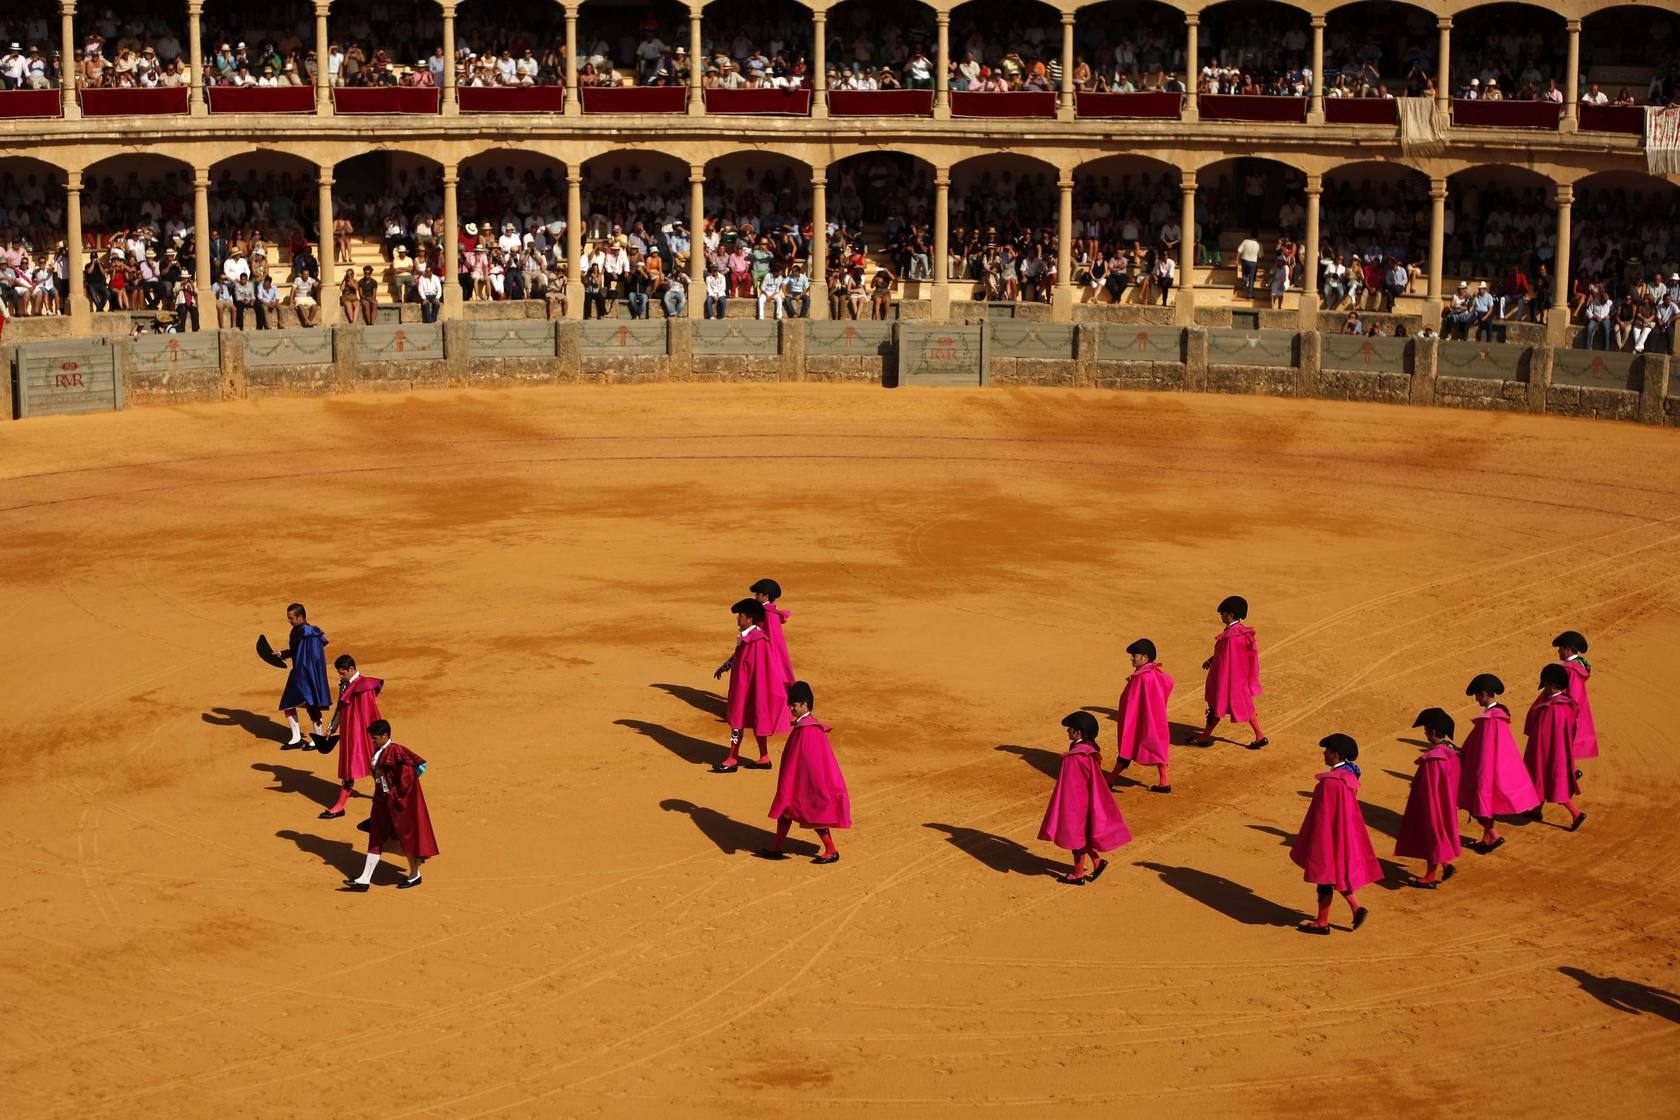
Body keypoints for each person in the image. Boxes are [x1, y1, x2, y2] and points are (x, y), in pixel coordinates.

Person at [1292, 734, 1380, 934]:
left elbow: (1323, 817)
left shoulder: (1330, 783)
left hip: (1328, 836)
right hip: (1343, 832)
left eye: (1328, 751)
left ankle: (1322, 923)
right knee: (1335, 874)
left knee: (1325, 876)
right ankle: (1356, 908)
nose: (1324, 753)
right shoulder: (1349, 776)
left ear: (1336, 755)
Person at [753, 681, 849, 865]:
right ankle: (776, 847)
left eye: (794, 705)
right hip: (797, 779)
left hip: (805, 782)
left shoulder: (808, 730)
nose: (790, 708)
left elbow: (812, 764)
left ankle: (831, 850)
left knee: (813, 814)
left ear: (804, 704)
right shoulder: (805, 726)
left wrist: (812, 787)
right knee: (785, 810)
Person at [341, 720, 438, 891]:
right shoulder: (380, 751)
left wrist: (392, 796)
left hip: (398, 804)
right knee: (376, 836)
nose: (372, 741)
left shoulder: (396, 751)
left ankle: (415, 874)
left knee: (406, 838)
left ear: (385, 736)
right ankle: (364, 879)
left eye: (375, 738)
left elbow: (407, 780)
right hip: (382, 803)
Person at [1039, 711, 1131, 885]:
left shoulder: (1075, 757)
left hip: (1076, 804)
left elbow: (1070, 787)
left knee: (1075, 836)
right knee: (1083, 836)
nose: (1067, 731)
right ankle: (1096, 863)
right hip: (1088, 801)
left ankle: (1078, 874)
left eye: (1070, 729)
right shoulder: (1089, 751)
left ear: (1078, 732)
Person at [1458, 673, 1541, 853]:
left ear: (1485, 694)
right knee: (1485, 803)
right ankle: (1489, 834)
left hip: (1487, 768)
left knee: (1480, 802)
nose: (1476, 699)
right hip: (1497, 768)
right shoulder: (1497, 716)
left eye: (1477, 695)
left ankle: (1492, 834)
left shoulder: (1491, 719)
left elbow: (1485, 750)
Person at [711, 598, 792, 773]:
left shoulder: (758, 641)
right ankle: (764, 758)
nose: (737, 619)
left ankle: (732, 759)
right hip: (746, 689)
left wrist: (756, 692)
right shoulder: (750, 637)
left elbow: (762, 672)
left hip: (749, 690)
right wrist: (724, 667)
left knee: (738, 723)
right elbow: (738, 657)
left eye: (740, 616)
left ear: (749, 619)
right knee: (756, 722)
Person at [1394, 707, 1461, 889]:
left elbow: (1428, 788)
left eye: (1425, 730)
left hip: (1433, 804)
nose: (1424, 733)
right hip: (1447, 802)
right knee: (1438, 834)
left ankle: (1430, 877)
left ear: (1432, 732)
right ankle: (1445, 865)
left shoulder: (1433, 760)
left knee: (1431, 835)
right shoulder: (1452, 752)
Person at [1190, 595, 1267, 749]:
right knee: (1246, 706)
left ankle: (1204, 738)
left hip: (1228, 679)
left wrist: (1220, 678)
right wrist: (1213, 659)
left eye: (1223, 613)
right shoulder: (1241, 633)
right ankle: (1260, 736)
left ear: (1230, 614)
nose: (1221, 615)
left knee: (1217, 707)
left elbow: (1228, 661)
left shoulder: (1232, 637)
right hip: (1239, 680)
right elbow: (1230, 656)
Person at [318, 653, 384, 820]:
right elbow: (340, 708)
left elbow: (370, 714)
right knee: (350, 768)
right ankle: (339, 806)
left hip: (363, 735)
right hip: (349, 734)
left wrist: (372, 737)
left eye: (342, 673)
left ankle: (391, 798)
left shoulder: (365, 686)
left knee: (376, 767)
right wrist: (331, 728)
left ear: (351, 669)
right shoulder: (345, 684)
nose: (341, 676)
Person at [1524, 664, 1587, 830]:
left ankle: (1576, 813)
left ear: (1552, 685)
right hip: (1556, 752)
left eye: (1546, 685)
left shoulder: (1553, 708)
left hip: (1549, 753)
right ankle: (1536, 811)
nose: (1544, 688)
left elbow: (1542, 736)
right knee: (1544, 781)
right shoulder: (1566, 704)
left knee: (1552, 783)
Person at [1108, 638, 1175, 793]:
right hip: (1155, 718)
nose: (1132, 658)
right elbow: (1169, 682)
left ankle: (1110, 780)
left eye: (1135, 655)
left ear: (1144, 658)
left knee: (1127, 746)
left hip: (1141, 719)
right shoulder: (1155, 672)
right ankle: (1164, 782)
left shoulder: (1143, 677)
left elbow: (1132, 702)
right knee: (1158, 747)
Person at [276, 602, 330, 748]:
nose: (289, 621)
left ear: (300, 617)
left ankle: (317, 738)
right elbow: (297, 652)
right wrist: (283, 654)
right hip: (300, 673)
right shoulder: (297, 630)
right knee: (291, 702)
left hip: (306, 674)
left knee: (310, 704)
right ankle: (296, 738)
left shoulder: (309, 633)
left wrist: (309, 673)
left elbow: (315, 657)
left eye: (291, 618)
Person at [1552, 629, 1598, 769]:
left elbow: (1573, 696)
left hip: (1568, 713)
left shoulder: (1571, 670)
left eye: (1560, 649)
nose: (1558, 651)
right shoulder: (1577, 667)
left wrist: (1565, 713)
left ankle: (1569, 773)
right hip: (1573, 712)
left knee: (1562, 745)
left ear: (1568, 650)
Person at [750, 578, 793, 677]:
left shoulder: (770, 615)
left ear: (766, 596)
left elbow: (772, 639)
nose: (755, 597)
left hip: (767, 652)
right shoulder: (766, 611)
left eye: (758, 594)